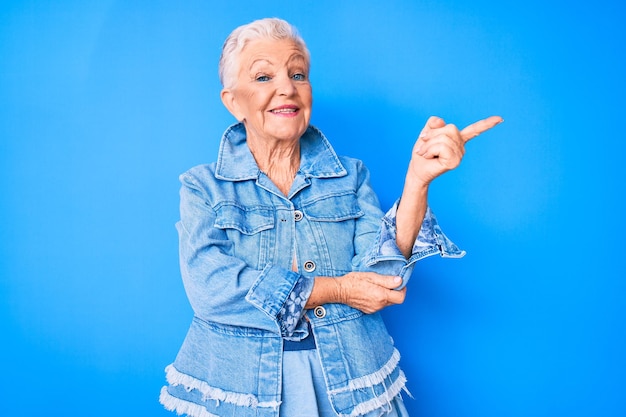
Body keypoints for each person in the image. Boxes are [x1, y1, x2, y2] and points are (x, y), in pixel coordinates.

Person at [159, 17, 502, 417]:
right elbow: (211, 289)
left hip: (352, 382)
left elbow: (384, 280)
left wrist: (417, 181)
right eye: (264, 76)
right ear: (233, 101)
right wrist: (336, 289)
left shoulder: (352, 177)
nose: (286, 87)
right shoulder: (203, 187)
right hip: (243, 392)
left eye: (298, 73)